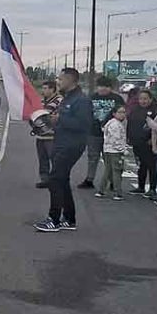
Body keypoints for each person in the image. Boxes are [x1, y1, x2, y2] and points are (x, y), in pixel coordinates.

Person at [35, 68, 92, 233]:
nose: (58, 82)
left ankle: (54, 219)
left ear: (70, 80)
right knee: (62, 180)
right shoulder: (67, 99)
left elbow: (83, 125)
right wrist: (51, 122)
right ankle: (69, 219)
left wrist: (61, 119)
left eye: (60, 79)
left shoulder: (81, 101)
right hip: (61, 142)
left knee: (55, 179)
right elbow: (63, 122)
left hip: (71, 145)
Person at [78, 76, 124, 189]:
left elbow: (122, 114)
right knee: (92, 157)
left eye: (106, 86)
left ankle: (113, 181)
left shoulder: (117, 98)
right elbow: (85, 113)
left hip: (111, 134)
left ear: (110, 88)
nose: (103, 89)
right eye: (100, 86)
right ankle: (89, 179)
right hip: (93, 132)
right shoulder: (91, 97)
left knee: (111, 158)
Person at [127, 89, 157, 198]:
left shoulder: (155, 110)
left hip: (149, 143)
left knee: (152, 166)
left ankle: (153, 188)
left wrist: (152, 138)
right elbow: (130, 124)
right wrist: (129, 138)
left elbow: (156, 127)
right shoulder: (135, 110)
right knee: (141, 165)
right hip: (137, 142)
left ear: (150, 99)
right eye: (141, 99)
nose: (143, 101)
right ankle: (141, 187)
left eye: (145, 99)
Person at [94, 106, 128, 201]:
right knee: (117, 171)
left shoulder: (110, 123)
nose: (122, 114)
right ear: (114, 113)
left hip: (108, 150)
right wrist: (122, 150)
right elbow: (116, 139)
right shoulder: (116, 125)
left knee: (107, 171)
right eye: (120, 112)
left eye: (124, 112)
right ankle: (118, 192)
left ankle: (101, 190)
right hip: (116, 151)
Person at [35, 80, 62, 188]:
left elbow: (57, 117)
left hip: (52, 135)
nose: (43, 90)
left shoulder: (59, 101)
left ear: (52, 89)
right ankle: (45, 179)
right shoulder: (41, 101)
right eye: (43, 88)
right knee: (42, 159)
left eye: (46, 88)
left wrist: (48, 118)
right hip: (40, 135)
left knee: (54, 158)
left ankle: (57, 179)